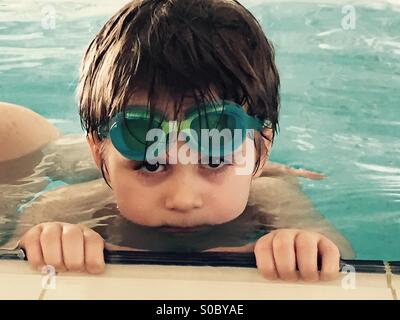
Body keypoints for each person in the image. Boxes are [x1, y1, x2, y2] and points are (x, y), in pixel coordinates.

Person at [5, 0, 353, 281]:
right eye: (150, 163)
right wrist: (42, 244)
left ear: (260, 153)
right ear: (99, 156)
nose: (183, 199)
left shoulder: (273, 197)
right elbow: (12, 263)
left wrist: (302, 246)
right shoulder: (62, 208)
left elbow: (340, 256)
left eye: (215, 161)